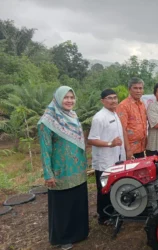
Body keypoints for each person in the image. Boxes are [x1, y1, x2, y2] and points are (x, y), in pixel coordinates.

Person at [38, 86, 89, 250]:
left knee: (77, 203)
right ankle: (63, 238)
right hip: (61, 173)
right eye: (65, 97)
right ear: (58, 99)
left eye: (72, 97)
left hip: (78, 171)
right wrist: (48, 174)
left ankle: (79, 233)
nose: (69, 101)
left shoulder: (72, 116)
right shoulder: (46, 122)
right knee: (63, 207)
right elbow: (45, 150)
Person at [88, 89, 126, 225]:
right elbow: (92, 139)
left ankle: (114, 213)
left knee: (114, 188)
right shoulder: (99, 117)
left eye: (115, 98)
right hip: (104, 161)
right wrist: (110, 143)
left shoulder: (115, 114)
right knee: (103, 189)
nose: (113, 101)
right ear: (102, 101)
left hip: (116, 159)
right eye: (110, 98)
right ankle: (103, 217)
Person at [116, 77, 147, 159]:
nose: (138, 91)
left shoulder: (142, 104)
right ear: (129, 89)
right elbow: (122, 129)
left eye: (140, 88)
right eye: (135, 88)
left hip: (141, 148)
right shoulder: (123, 106)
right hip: (130, 150)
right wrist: (128, 150)